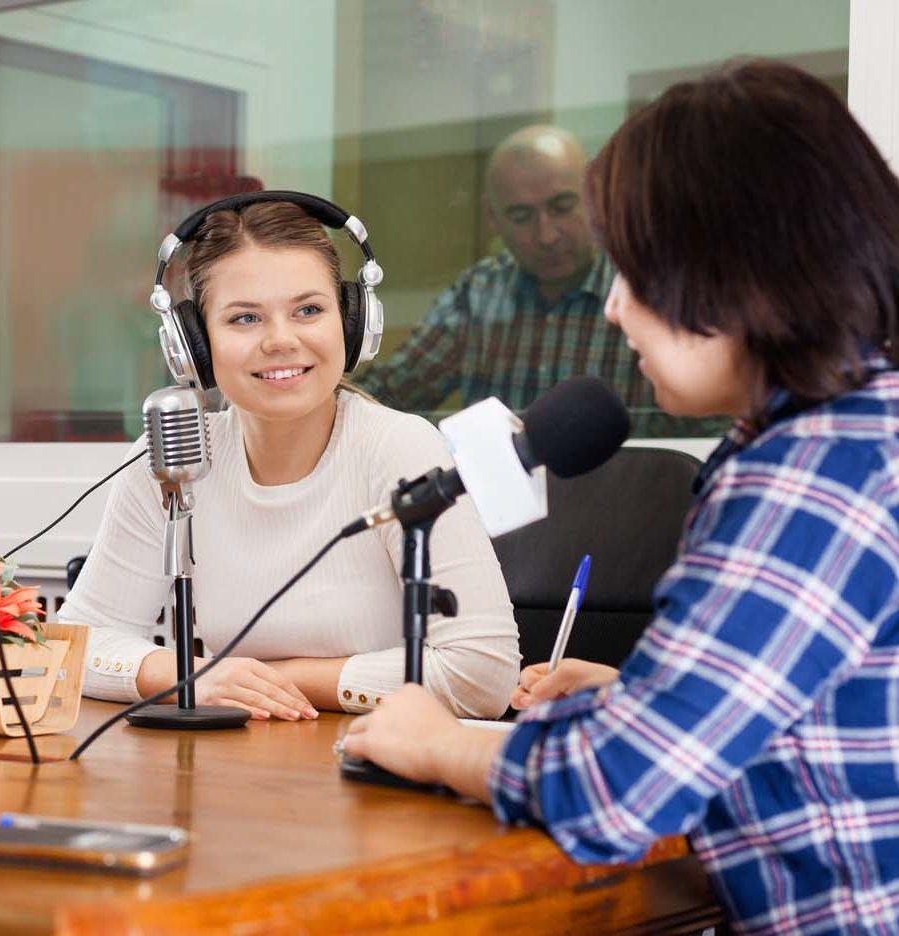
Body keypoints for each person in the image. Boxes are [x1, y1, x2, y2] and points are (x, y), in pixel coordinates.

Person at [342, 60, 899, 933]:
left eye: (637, 271)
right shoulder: (862, 432)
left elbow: (619, 791)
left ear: (738, 268)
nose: (614, 308)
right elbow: (838, 719)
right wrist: (636, 696)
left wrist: (437, 745)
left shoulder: (813, 474)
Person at [59, 199, 520, 721]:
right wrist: (193, 678)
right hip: (239, 771)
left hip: (377, 770)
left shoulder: (399, 449)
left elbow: (483, 674)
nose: (281, 340)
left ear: (351, 323)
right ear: (193, 345)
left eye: (308, 310)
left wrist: (273, 679)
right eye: (245, 318)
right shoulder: (171, 457)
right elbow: (72, 644)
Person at [355, 125, 691, 435]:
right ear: (493, 218)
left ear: (594, 195)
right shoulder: (480, 293)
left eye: (561, 207)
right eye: (521, 216)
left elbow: (702, 428)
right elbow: (390, 390)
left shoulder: (643, 287)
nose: (546, 235)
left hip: (621, 493)